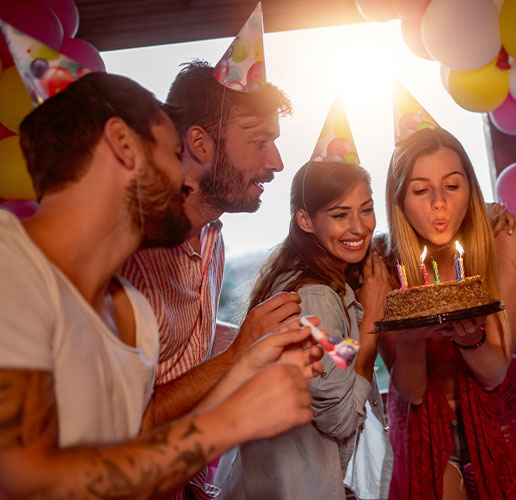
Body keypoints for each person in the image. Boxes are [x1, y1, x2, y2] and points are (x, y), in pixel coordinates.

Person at [0, 73, 320, 497]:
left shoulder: (130, 310)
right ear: (124, 144)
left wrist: (249, 367)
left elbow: (142, 436)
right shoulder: (10, 270)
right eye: (173, 152)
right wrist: (230, 420)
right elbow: (27, 481)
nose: (188, 179)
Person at [119, 61, 297, 497]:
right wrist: (240, 352)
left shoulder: (213, 237)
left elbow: (178, 341)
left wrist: (267, 339)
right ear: (199, 142)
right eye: (259, 143)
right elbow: (125, 417)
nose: (275, 162)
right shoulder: (130, 251)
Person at [380, 127, 516, 499]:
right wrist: (409, 343)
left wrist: (469, 336)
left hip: (502, 423)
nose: (438, 203)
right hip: (422, 431)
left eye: (453, 186)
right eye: (421, 190)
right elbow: (411, 391)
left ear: (470, 188)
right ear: (400, 198)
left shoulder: (502, 239)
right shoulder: (384, 264)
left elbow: (494, 374)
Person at [214, 160, 392, 499]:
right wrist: (372, 323)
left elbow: (338, 363)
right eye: (341, 215)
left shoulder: (318, 283)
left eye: (366, 210)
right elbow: (339, 419)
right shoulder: (316, 297)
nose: (359, 227)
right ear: (305, 220)